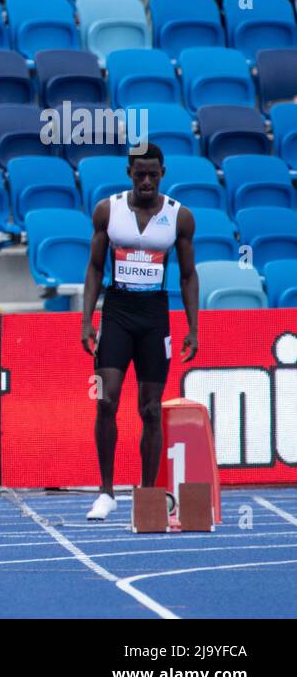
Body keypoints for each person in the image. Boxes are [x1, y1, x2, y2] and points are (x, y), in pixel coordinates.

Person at [81, 144, 199, 521]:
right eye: (139, 174)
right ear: (129, 173)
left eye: (153, 174)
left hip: (155, 317)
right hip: (117, 313)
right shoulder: (108, 211)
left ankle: (148, 497)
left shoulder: (179, 217)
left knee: (149, 409)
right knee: (105, 401)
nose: (146, 181)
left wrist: (193, 327)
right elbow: (95, 268)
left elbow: (188, 274)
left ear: (162, 172)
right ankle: (106, 492)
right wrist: (87, 320)